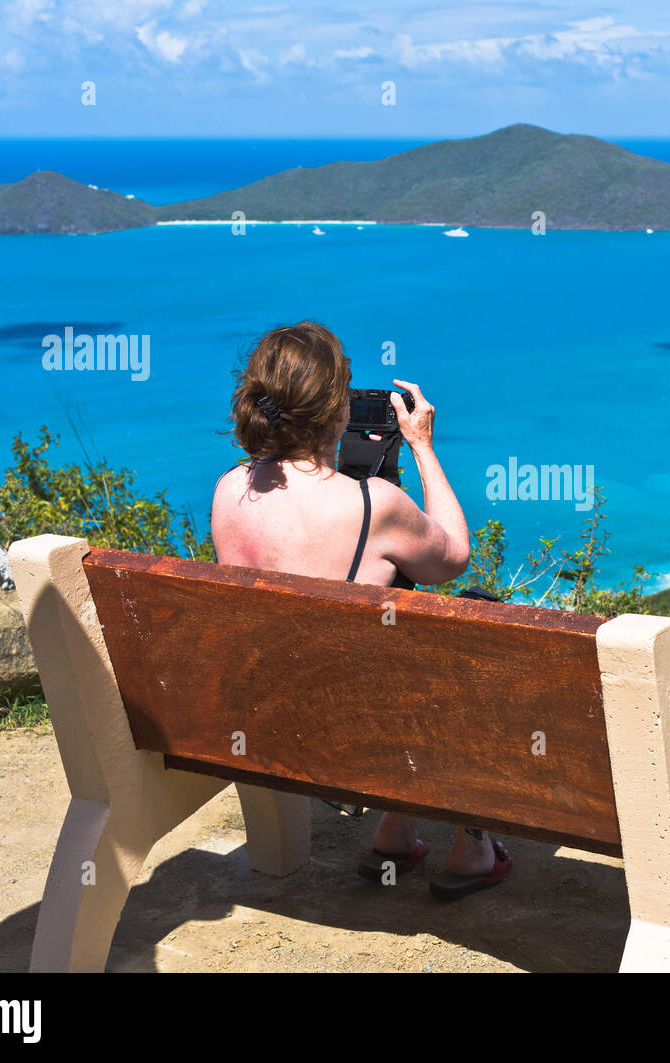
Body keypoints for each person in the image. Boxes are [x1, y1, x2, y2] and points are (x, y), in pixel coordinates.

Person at [211, 321, 512, 899]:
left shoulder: (230, 489)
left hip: (268, 715)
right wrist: (421, 444)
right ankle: (472, 846)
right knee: (480, 630)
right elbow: (454, 558)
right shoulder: (377, 505)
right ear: (337, 410)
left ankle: (397, 831)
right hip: (361, 731)